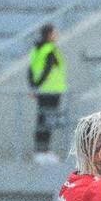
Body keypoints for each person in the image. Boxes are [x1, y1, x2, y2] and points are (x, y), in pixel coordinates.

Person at [28, 24, 66, 162]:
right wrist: (37, 86)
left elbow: (31, 70)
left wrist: (34, 87)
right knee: (48, 119)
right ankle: (44, 150)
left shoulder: (36, 50)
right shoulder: (50, 50)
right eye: (55, 33)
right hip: (52, 90)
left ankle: (40, 150)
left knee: (42, 118)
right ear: (49, 35)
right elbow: (47, 70)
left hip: (42, 91)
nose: (57, 35)